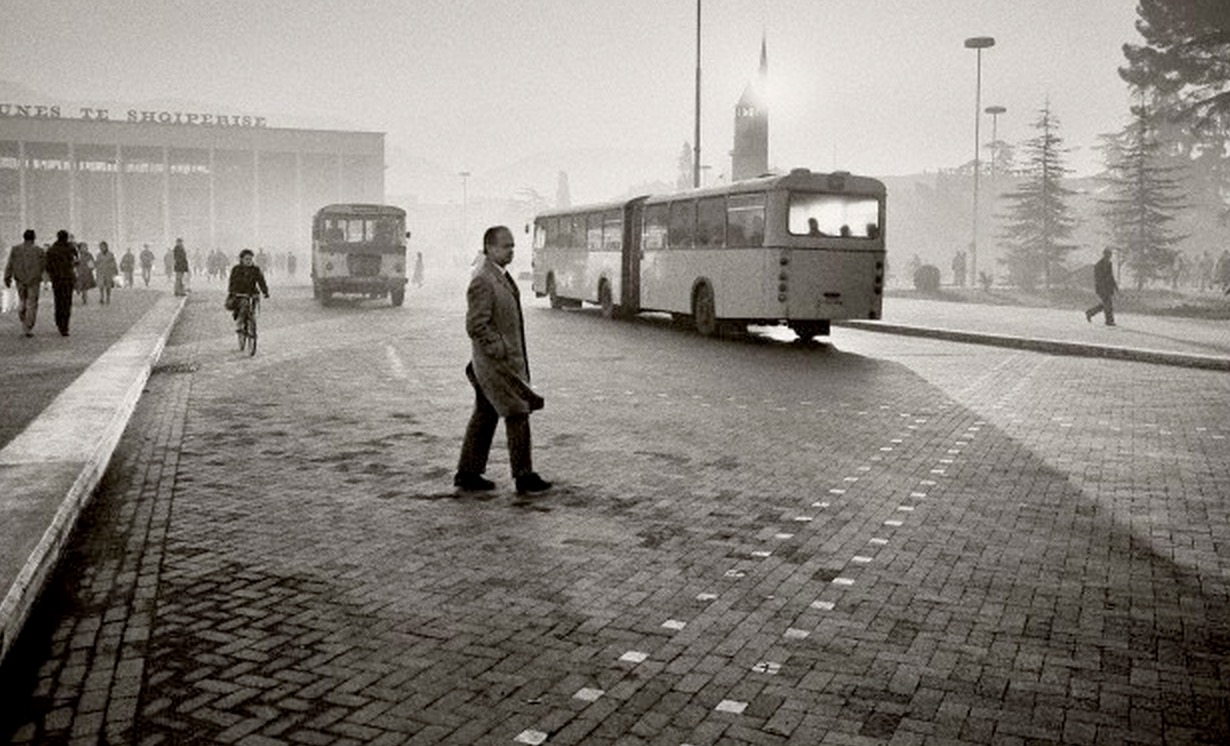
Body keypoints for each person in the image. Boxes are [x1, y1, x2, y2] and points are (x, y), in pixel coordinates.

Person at [454, 226, 551, 495]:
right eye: (506, 246)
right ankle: (524, 476)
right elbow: (476, 324)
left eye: (512, 246)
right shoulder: (483, 280)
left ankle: (468, 473)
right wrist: (498, 346)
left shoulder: (499, 276)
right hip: (495, 364)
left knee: (485, 414)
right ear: (491, 248)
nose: (511, 250)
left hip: (499, 361)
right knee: (517, 412)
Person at [4, 229, 45, 337]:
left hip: (20, 279)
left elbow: (10, 264)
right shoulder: (39, 251)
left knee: (22, 300)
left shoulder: (15, 249)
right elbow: (43, 266)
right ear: (34, 238)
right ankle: (28, 326)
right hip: (34, 280)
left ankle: (22, 315)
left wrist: (7, 277)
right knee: (32, 303)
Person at [226, 248, 269, 331]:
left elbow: (261, 281)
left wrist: (265, 292)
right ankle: (240, 322)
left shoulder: (255, 269)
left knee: (252, 307)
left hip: (252, 292)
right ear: (241, 259)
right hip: (239, 293)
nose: (248, 261)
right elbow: (232, 282)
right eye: (246, 259)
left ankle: (251, 322)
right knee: (244, 304)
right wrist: (232, 292)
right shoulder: (236, 269)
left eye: (250, 259)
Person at [45, 230, 78, 336]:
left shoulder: (52, 249)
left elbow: (47, 265)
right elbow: (77, 261)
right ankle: (65, 326)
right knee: (67, 302)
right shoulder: (70, 248)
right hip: (68, 278)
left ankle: (59, 321)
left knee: (58, 300)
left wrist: (52, 274)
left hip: (57, 279)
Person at [1085, 248, 1118, 326]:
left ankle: (1090, 312)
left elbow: (1111, 276)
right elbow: (1098, 278)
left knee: (1105, 304)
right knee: (1108, 304)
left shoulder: (1109, 264)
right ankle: (1109, 321)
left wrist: (1115, 286)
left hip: (1108, 288)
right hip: (1102, 288)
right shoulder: (1099, 265)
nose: (1109, 256)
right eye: (1108, 254)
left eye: (1110, 254)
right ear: (1104, 254)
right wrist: (1102, 287)